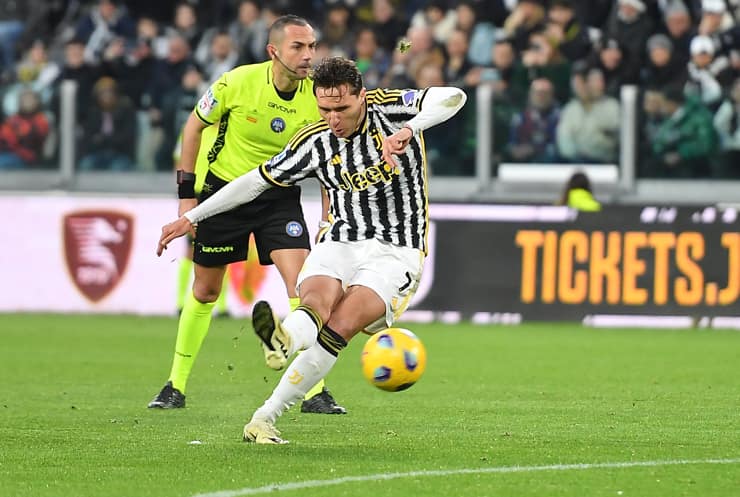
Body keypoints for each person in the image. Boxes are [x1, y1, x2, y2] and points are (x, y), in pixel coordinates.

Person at [156, 56, 467, 444]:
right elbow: (254, 182)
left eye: (342, 108)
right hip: (340, 239)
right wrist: (193, 216)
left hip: (396, 249)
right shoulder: (314, 141)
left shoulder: (391, 107)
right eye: (324, 109)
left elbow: (454, 96)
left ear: (362, 97)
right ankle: (278, 358)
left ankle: (268, 410)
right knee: (315, 302)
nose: (333, 118)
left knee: (342, 322)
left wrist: (410, 130)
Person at [147, 15, 346, 415]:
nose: (309, 55)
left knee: (304, 286)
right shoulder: (236, 82)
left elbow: (328, 156)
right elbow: (192, 128)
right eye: (298, 47)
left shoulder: (316, 96)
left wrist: (329, 215)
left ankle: (315, 391)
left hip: (279, 196)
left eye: (312, 46)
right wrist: (188, 199)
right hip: (225, 195)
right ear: (274, 51)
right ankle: (175, 385)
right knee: (205, 291)